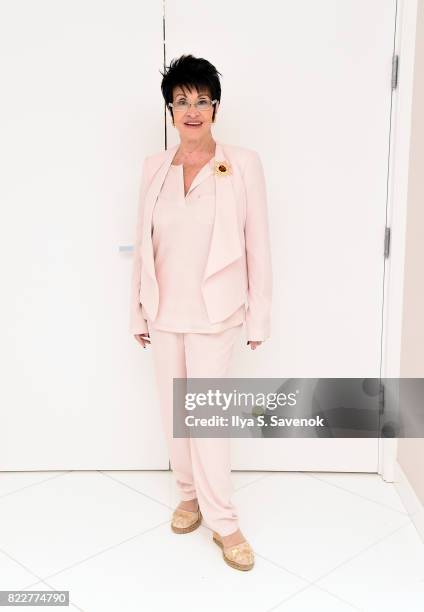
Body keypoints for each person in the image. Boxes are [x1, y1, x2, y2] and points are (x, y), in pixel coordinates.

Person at [129, 54, 272, 571]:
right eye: (182, 101)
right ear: (170, 109)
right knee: (176, 418)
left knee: (207, 418)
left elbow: (258, 243)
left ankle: (224, 520)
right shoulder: (154, 169)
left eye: (202, 101)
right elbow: (143, 246)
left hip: (217, 313)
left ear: (216, 108)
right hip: (164, 312)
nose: (193, 111)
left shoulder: (241, 165)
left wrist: (260, 317)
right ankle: (187, 495)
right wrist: (137, 312)